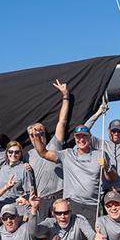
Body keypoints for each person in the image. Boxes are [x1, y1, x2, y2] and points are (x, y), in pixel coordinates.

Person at [32, 124, 116, 224]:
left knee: (91, 238)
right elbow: (43, 153)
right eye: (78, 136)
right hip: (72, 205)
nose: (81, 139)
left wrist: (106, 167)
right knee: (72, 238)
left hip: (93, 205)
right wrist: (37, 136)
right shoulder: (67, 154)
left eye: (84, 136)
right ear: (75, 138)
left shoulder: (100, 154)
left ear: (90, 137)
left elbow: (112, 178)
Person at [84, 100, 120, 208]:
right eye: (113, 131)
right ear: (108, 131)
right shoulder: (100, 144)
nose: (116, 133)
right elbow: (84, 130)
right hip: (108, 191)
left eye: (119, 131)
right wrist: (98, 113)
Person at [26, 81, 70, 219]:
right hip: (43, 199)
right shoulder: (27, 155)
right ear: (30, 137)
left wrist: (65, 96)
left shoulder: (54, 143)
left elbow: (62, 121)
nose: (39, 135)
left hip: (60, 194)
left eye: (41, 132)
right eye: (34, 133)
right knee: (44, 237)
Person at [0, 141, 33, 214]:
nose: (13, 154)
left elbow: (30, 192)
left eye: (17, 152)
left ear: (20, 153)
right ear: (6, 152)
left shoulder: (24, 169)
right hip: (0, 209)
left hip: (16, 210)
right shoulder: (3, 168)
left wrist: (27, 209)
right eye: (10, 152)